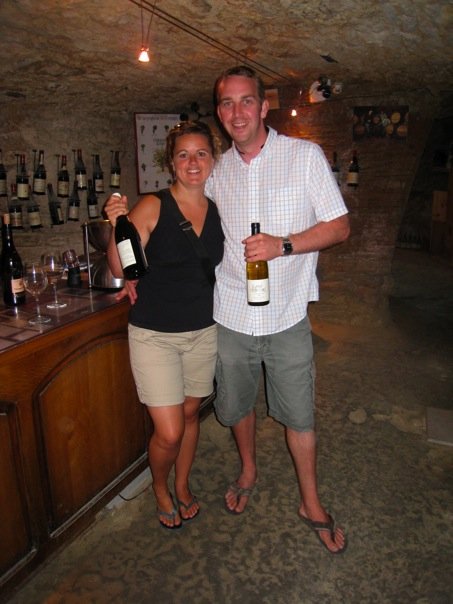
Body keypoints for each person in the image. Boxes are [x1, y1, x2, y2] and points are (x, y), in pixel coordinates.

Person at [206, 66, 350, 554]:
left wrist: (283, 245)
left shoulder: (303, 156)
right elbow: (182, 215)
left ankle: (310, 501)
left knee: (299, 416)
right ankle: (248, 469)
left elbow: (339, 226)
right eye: (227, 103)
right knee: (237, 405)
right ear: (219, 112)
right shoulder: (217, 171)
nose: (237, 112)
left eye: (246, 101)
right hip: (232, 312)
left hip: (286, 314)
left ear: (264, 107)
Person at [104, 121, 224, 529]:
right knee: (170, 431)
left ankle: (183, 483)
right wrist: (117, 223)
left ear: (213, 159)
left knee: (190, 416)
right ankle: (159, 486)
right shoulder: (153, 205)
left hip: (203, 331)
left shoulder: (218, 209)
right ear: (171, 162)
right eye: (183, 154)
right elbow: (120, 266)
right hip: (155, 334)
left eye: (201, 153)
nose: (193, 162)